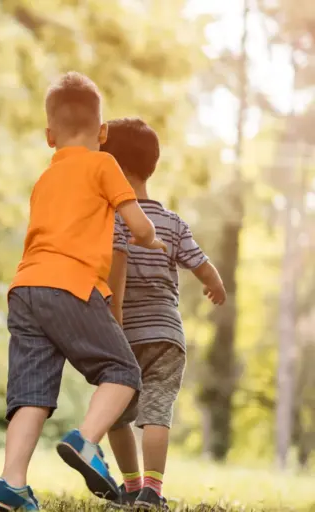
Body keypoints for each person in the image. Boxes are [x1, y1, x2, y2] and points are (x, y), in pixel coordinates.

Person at [0, 72, 167, 511]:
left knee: (30, 393)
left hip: (25, 288)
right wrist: (151, 239)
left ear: (50, 136)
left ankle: (11, 483)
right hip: (72, 285)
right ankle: (86, 441)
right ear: (103, 133)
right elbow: (137, 222)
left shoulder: (46, 178)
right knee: (123, 373)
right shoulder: (104, 164)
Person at [102, 117, 226, 510]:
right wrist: (216, 285)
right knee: (157, 411)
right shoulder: (171, 222)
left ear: (114, 169)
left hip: (121, 334)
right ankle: (152, 490)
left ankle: (131, 483)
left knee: (117, 414)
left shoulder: (110, 218)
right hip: (166, 335)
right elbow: (202, 265)